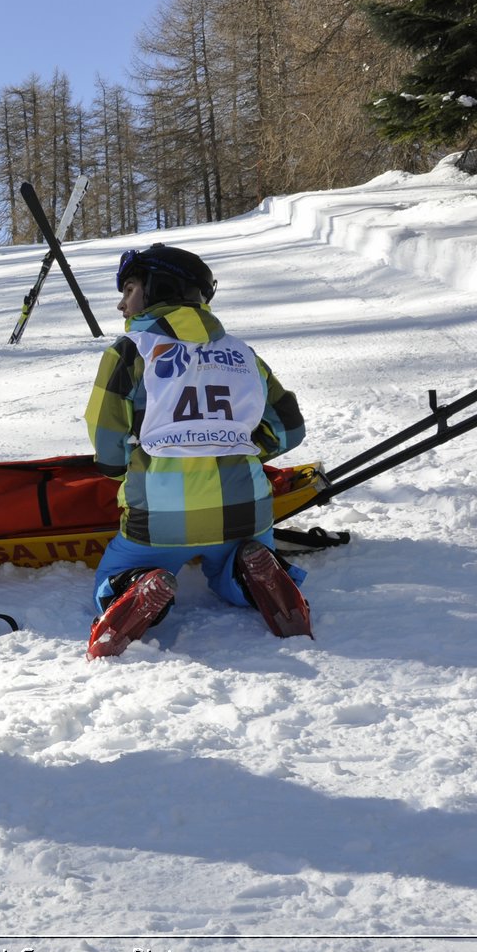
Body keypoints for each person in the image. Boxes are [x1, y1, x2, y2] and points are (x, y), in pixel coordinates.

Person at [84, 243, 310, 659]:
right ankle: (247, 573)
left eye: (129, 289)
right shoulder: (244, 355)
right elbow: (289, 428)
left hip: (159, 517)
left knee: (113, 573)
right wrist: (235, 448)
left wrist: (126, 469)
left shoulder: (130, 351)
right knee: (233, 562)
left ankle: (134, 585)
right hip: (245, 511)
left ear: (157, 288)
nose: (120, 304)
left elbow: (107, 439)